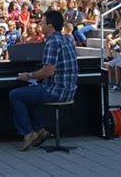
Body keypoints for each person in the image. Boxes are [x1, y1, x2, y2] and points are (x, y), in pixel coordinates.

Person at [9, 10, 78, 151]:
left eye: (43, 22)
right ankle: (40, 130)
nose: (40, 24)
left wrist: (28, 75)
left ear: (50, 27)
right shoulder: (66, 39)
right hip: (69, 89)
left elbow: (48, 71)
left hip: (57, 91)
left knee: (15, 95)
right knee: (30, 93)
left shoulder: (52, 42)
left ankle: (28, 133)